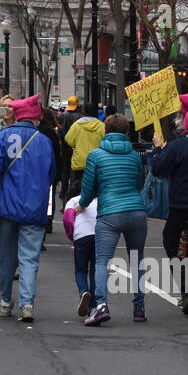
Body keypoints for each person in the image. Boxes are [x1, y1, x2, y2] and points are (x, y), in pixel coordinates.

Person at [0, 94, 56, 322]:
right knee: (29, 258)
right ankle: (27, 304)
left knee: (6, 256)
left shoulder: (1, 137)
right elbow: (52, 174)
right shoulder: (44, 141)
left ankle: (6, 301)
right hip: (34, 207)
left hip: (6, 205)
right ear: (34, 118)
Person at [79, 114, 148, 326]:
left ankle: (101, 305)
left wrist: (81, 204)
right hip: (136, 210)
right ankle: (139, 307)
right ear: (127, 132)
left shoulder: (96, 156)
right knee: (137, 259)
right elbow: (139, 182)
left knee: (102, 261)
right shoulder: (135, 156)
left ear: (105, 131)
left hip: (109, 212)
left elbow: (89, 188)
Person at [149, 97, 188, 316]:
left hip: (181, 205)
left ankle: (187, 288)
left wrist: (158, 149)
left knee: (171, 243)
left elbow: (158, 169)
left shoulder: (179, 145)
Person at [62, 192, 98, 315]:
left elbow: (67, 219)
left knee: (80, 270)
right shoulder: (99, 200)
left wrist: (72, 234)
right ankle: (93, 306)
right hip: (98, 236)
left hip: (81, 236)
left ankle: (83, 291)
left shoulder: (73, 201)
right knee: (95, 271)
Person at [64, 102, 105, 197]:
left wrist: (77, 145)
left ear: (84, 112)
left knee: (78, 189)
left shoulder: (77, 125)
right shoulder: (102, 126)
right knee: (96, 189)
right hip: (97, 162)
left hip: (80, 162)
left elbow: (68, 140)